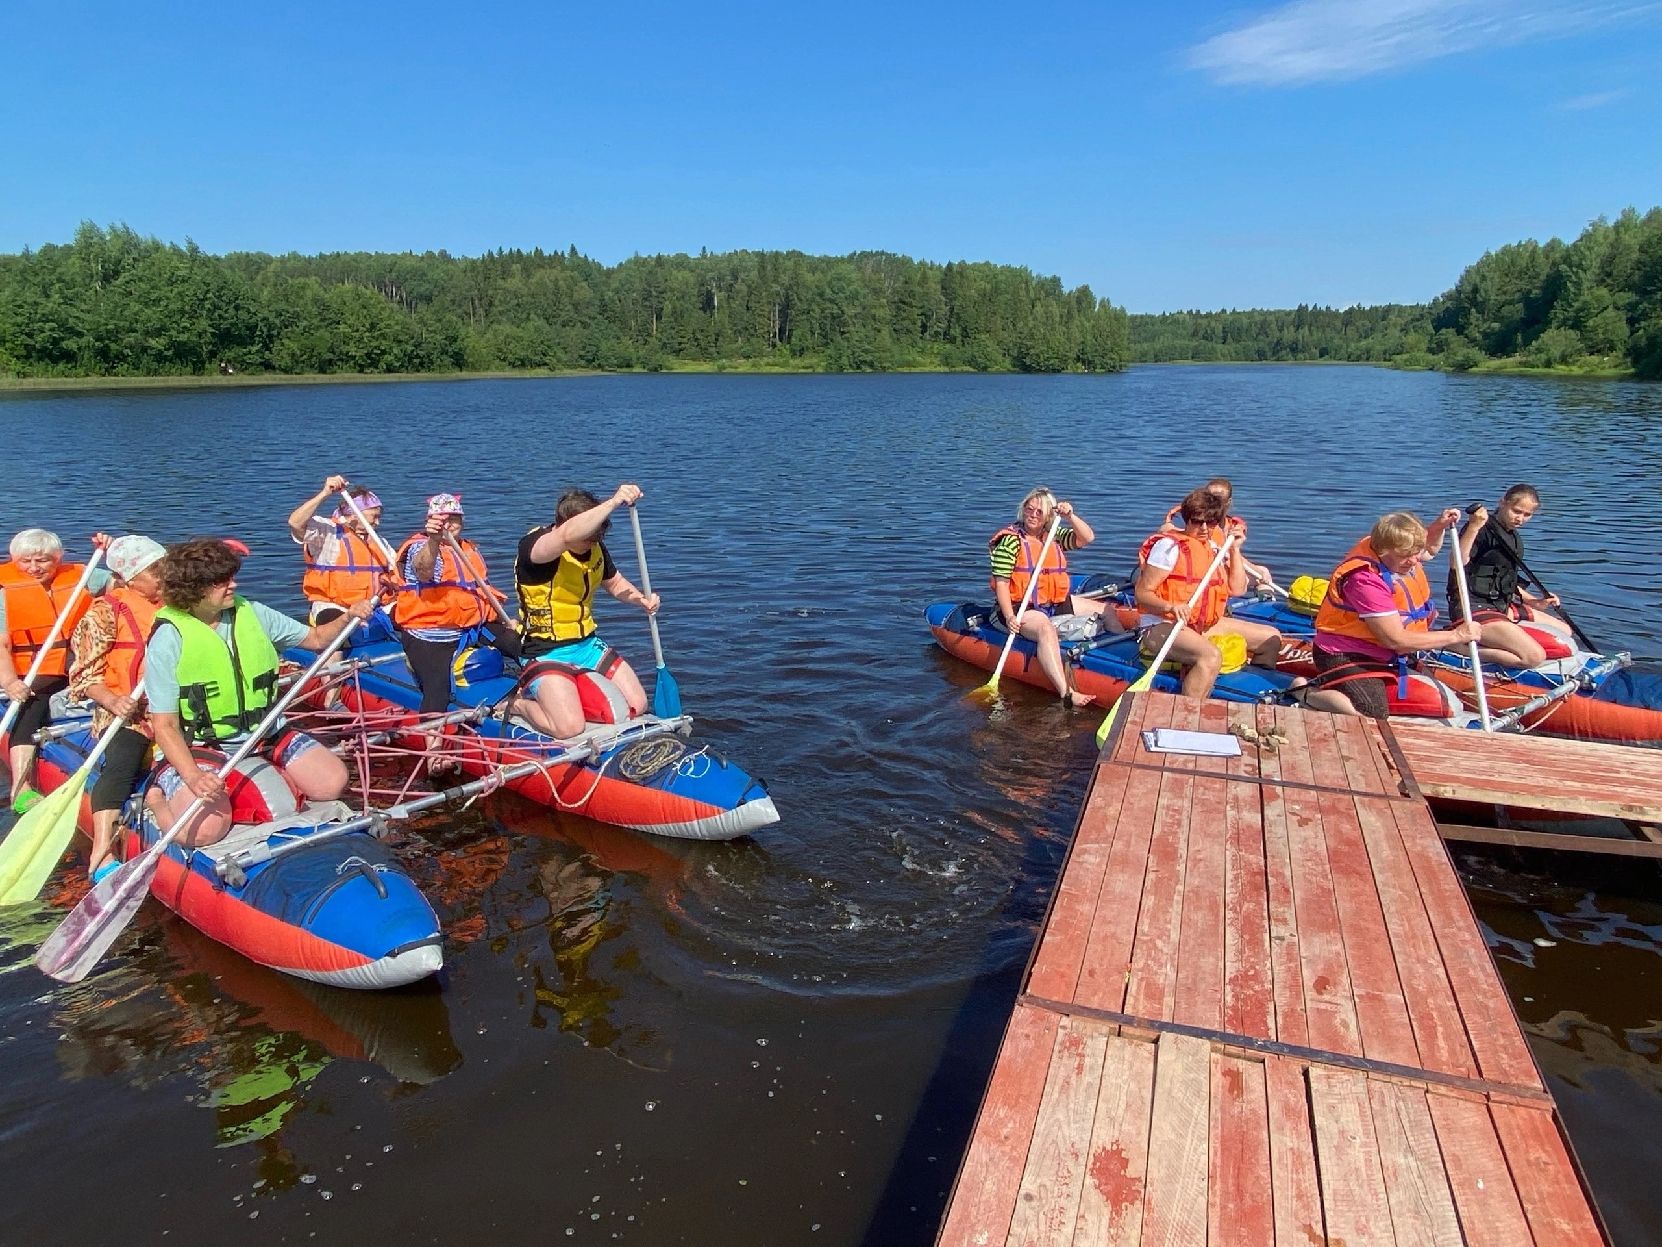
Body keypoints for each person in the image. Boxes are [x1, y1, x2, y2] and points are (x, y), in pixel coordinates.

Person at [144, 538, 372, 847]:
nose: (233, 585)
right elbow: (165, 725)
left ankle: (264, 782)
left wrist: (347, 617)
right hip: (204, 743)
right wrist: (194, 776)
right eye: (221, 581)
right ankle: (156, 799)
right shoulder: (168, 639)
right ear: (195, 589)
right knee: (203, 832)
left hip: (264, 732)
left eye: (232, 577)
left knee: (332, 782)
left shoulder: (252, 613)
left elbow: (317, 638)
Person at [511, 484, 662, 737]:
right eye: (589, 537)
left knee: (638, 704)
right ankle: (518, 705)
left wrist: (641, 600)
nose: (593, 543)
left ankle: (568, 694)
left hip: (586, 646)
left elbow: (614, 582)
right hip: (544, 651)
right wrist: (613, 502)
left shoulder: (593, 547)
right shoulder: (536, 548)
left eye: (597, 538)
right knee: (569, 728)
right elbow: (567, 536)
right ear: (563, 524)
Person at [1311, 511, 1483, 719]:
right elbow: (1395, 639)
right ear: (1384, 551)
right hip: (1345, 653)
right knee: (1372, 711)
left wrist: (1439, 527)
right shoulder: (1364, 580)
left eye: (1415, 553)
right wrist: (1457, 635)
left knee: (1445, 697)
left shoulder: (1400, 554)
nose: (1414, 561)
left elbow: (1428, 550)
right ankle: (1307, 693)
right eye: (1405, 556)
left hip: (1387, 652)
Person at [67, 535, 169, 881]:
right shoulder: (103, 613)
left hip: (173, 709)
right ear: (130, 578)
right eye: (154, 572)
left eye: (164, 568)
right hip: (127, 714)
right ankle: (102, 850)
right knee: (122, 766)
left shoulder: (178, 605)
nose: (164, 576)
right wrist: (113, 700)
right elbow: (82, 676)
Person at [390, 495, 521, 763]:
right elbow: (424, 571)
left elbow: (480, 590)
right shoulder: (420, 548)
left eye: (454, 518)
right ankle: (434, 753)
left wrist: (506, 623)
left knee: (522, 647)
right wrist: (434, 540)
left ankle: (549, 696)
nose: (449, 524)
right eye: (443, 520)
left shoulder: (468, 548)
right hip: (429, 631)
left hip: (474, 625)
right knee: (437, 688)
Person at [1, 528, 113, 813]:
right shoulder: (5, 591)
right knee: (31, 707)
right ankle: (21, 788)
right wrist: (12, 682)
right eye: (26, 561)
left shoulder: (81, 575)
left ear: (57, 558)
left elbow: (123, 584)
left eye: (42, 561)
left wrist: (110, 552)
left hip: (78, 663)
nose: (34, 568)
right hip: (30, 670)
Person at [1136, 488, 1282, 699]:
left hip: (1202, 624)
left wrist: (1235, 549)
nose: (1204, 528)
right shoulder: (1168, 548)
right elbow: (1142, 593)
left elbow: (1238, 589)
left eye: (1211, 522)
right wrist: (1170, 606)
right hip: (1161, 625)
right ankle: (1189, 711)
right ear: (1187, 520)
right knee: (1210, 656)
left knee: (1271, 637)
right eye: (1197, 522)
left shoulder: (1213, 547)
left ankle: (1250, 691)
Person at [987, 487, 1116, 707]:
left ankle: (1119, 658)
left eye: (1040, 512)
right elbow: (1001, 583)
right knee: (1045, 628)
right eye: (1030, 509)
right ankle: (1066, 692)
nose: (1033, 515)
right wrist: (1009, 616)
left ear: (1048, 516)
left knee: (1108, 610)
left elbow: (1087, 537)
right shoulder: (1010, 542)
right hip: (1021, 606)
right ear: (1023, 510)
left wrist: (1069, 516)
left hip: (1052, 601)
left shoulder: (1053, 536)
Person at [1449, 484, 1565, 669]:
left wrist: (1535, 602)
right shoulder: (1481, 528)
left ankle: (1504, 637)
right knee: (1534, 657)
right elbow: (1456, 563)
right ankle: (1457, 646)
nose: (1520, 519)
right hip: (1473, 607)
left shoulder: (1513, 536)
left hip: (1502, 605)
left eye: (1527, 515)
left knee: (1565, 630)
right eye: (1516, 511)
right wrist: (1473, 526)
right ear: (1503, 502)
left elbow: (1506, 581)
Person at [287, 474, 399, 626]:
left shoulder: (380, 542)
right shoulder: (327, 532)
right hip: (335, 606)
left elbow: (397, 572)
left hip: (375, 607)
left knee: (413, 614)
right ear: (354, 514)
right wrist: (325, 493)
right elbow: (295, 523)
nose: (378, 522)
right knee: (335, 624)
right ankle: (335, 650)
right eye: (374, 517)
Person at [1156, 478, 1274, 590]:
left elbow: (1231, 557)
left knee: (1262, 572)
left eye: (1218, 499)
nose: (1214, 503)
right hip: (1192, 569)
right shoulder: (1189, 517)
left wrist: (1233, 551)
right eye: (1209, 498)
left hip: (1220, 567)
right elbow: (1166, 529)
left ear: (1228, 502)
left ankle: (1266, 600)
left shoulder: (1234, 526)